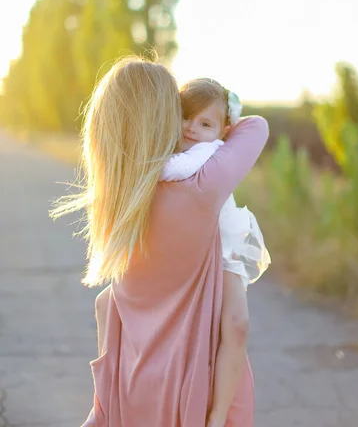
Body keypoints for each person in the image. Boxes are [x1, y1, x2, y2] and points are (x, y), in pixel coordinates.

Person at [50, 56, 269, 427]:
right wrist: (219, 122)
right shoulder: (202, 187)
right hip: (197, 392)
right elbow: (256, 127)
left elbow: (110, 304)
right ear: (165, 117)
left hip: (126, 392)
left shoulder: (117, 201)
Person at [159, 78, 271, 427]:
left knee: (236, 324)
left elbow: (170, 169)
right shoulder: (185, 145)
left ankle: (219, 412)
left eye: (204, 123)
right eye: (185, 117)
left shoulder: (207, 152)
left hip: (224, 251)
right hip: (190, 253)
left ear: (224, 130)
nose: (192, 129)